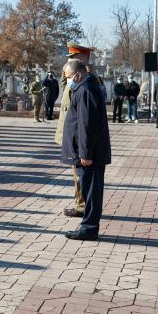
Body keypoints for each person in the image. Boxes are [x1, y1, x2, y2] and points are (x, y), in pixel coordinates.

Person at [60, 59, 111, 241]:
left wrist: (85, 153)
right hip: (90, 152)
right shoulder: (85, 87)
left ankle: (89, 228)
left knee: (91, 192)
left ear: (78, 74)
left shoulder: (85, 90)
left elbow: (86, 125)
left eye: (68, 78)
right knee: (90, 191)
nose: (67, 82)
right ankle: (88, 226)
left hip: (90, 155)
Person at [55, 43, 96, 218]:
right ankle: (80, 203)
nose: (68, 61)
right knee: (76, 174)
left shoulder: (86, 81)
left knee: (79, 174)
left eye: (72, 59)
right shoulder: (73, 78)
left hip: (76, 136)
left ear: (81, 59)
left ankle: (82, 206)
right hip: (69, 133)